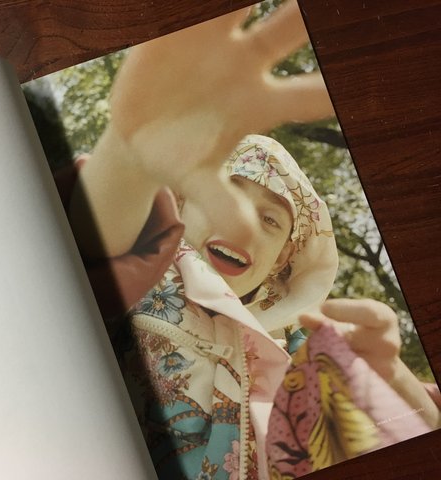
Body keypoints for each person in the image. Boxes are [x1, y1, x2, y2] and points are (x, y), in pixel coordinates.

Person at [60, 2, 439, 479]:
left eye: (272, 221)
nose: (245, 223)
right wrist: (129, 155)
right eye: (228, 191)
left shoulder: (311, 353)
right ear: (182, 205)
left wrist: (392, 379)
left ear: (282, 262)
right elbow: (84, 246)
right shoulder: (145, 278)